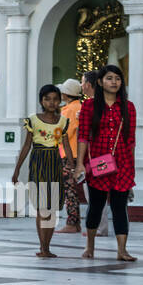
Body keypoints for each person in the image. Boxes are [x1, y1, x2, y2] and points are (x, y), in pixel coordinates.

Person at [75, 64, 136, 262]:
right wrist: (80, 165)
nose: (114, 82)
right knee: (96, 206)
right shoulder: (89, 106)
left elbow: (131, 139)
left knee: (120, 207)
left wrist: (131, 166)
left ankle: (122, 250)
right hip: (97, 163)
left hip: (122, 164)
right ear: (100, 82)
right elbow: (83, 136)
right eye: (109, 78)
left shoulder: (129, 107)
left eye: (117, 78)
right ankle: (90, 246)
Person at [13, 84, 72, 258]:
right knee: (41, 207)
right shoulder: (33, 120)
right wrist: (17, 170)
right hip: (38, 161)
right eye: (47, 99)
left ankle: (47, 246)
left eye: (55, 99)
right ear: (41, 101)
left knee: (52, 207)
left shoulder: (62, 121)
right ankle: (42, 246)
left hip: (54, 162)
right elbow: (26, 146)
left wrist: (70, 164)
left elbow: (66, 145)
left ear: (60, 101)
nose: (51, 102)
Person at [55, 78, 84, 235]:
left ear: (66, 94)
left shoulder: (68, 111)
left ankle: (72, 223)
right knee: (72, 189)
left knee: (70, 190)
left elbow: (61, 133)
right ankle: (75, 222)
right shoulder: (79, 107)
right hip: (76, 153)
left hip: (68, 155)